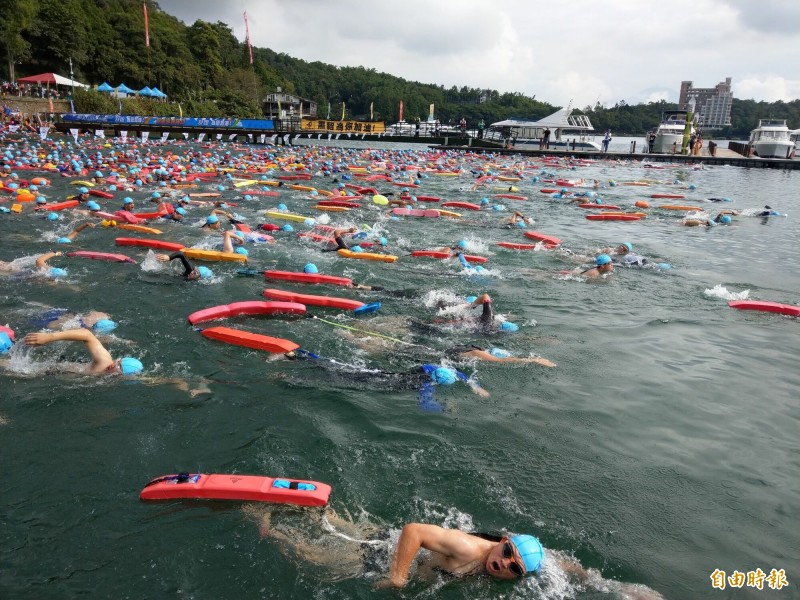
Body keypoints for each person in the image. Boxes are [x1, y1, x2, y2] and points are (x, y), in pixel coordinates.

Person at [21, 328, 143, 375]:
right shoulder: (104, 361)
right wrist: (49, 337)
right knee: (17, 370)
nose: (113, 365)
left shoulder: (112, 380)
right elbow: (87, 334)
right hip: (53, 369)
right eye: (118, 362)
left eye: (119, 367)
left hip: (65, 376)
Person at [0, 251, 68, 279]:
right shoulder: (45, 279)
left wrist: (55, 253)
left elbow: (39, 260)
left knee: (6, 267)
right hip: (19, 277)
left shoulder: (43, 269)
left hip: (17, 273)